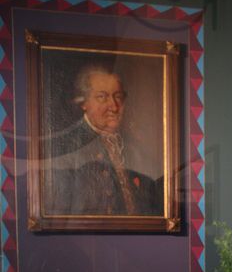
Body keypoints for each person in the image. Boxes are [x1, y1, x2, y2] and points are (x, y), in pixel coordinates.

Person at [47, 64, 164, 216]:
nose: (114, 107)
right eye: (102, 97)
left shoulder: (134, 149)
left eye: (118, 97)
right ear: (84, 103)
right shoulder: (68, 146)